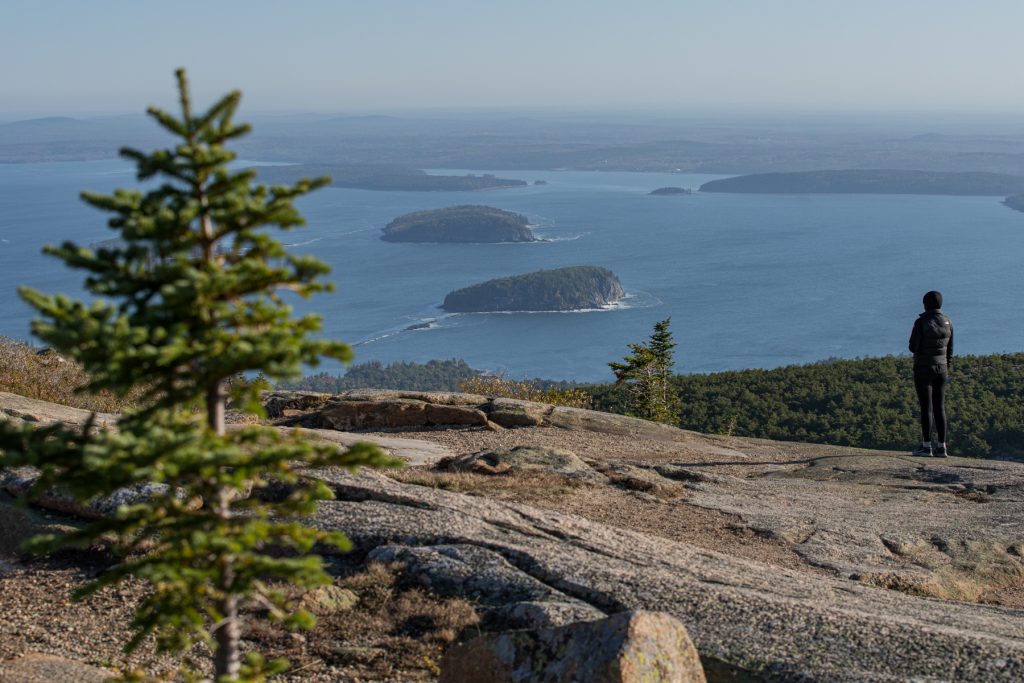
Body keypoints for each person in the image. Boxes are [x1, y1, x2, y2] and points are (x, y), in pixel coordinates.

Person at [908, 290, 953, 457]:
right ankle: (942, 447)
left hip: (924, 368)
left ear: (925, 304)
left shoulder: (921, 322)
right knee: (940, 407)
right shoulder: (948, 321)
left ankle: (926, 446)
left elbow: (913, 347)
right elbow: (950, 349)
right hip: (942, 369)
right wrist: (945, 366)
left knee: (926, 407)